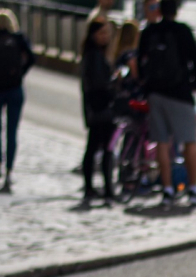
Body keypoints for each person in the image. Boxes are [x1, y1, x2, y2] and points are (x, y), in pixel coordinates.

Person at [136, 0, 196, 207]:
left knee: (162, 143)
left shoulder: (150, 31)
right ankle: (193, 188)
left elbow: (141, 60)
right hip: (180, 93)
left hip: (156, 93)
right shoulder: (183, 31)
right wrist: (195, 84)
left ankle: (166, 188)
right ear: (177, 10)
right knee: (189, 142)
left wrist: (146, 85)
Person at [0, 9, 34, 191]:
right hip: (14, 88)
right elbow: (32, 58)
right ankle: (10, 169)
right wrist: (19, 73)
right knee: (12, 131)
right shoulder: (19, 38)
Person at [80, 19, 115, 205]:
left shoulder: (93, 54)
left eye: (107, 33)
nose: (105, 37)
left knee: (94, 149)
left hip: (95, 108)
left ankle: (92, 188)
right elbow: (98, 84)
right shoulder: (94, 55)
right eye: (102, 33)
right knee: (103, 150)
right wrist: (113, 85)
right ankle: (106, 189)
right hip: (100, 108)